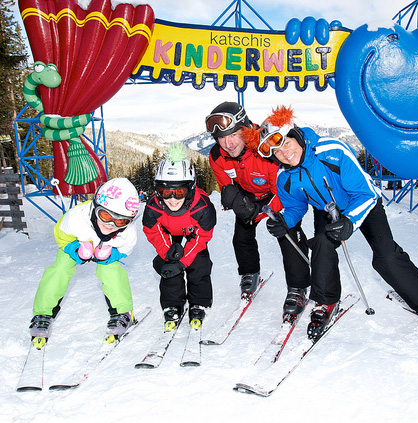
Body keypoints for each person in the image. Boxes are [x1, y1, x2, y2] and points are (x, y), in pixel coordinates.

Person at [252, 106, 418, 339]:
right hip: (326, 209)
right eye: (276, 152)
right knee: (321, 244)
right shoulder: (284, 176)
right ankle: (326, 302)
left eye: (286, 144)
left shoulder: (332, 152)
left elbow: (366, 193)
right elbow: (296, 207)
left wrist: (349, 220)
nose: (284, 154)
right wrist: (284, 221)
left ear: (295, 135)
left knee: (386, 256)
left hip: (360, 200)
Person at [206, 101, 310, 320]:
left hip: (279, 194)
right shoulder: (216, 156)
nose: (228, 143)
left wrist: (261, 212)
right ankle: (249, 272)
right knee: (241, 236)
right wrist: (236, 201)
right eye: (222, 138)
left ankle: (298, 287)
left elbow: (283, 189)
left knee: (287, 232)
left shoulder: (265, 149)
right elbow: (227, 184)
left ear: (245, 130)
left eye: (233, 134)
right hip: (248, 195)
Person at [29, 178, 141, 347]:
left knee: (111, 271)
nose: (110, 225)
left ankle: (122, 312)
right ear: (95, 208)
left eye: (120, 221)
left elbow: (125, 250)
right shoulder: (76, 217)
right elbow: (61, 235)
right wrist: (74, 248)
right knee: (60, 269)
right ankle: (42, 313)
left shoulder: (127, 233)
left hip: (106, 248)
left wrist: (112, 255)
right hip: (77, 241)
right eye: (105, 215)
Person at [142, 143, 217, 331]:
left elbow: (202, 237)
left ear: (190, 189)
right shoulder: (154, 206)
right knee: (169, 268)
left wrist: (183, 261)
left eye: (179, 192)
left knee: (199, 263)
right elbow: (152, 231)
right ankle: (172, 304)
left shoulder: (202, 207)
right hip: (168, 234)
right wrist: (167, 252)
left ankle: (199, 301)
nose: (172, 199)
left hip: (192, 232)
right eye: (165, 192)